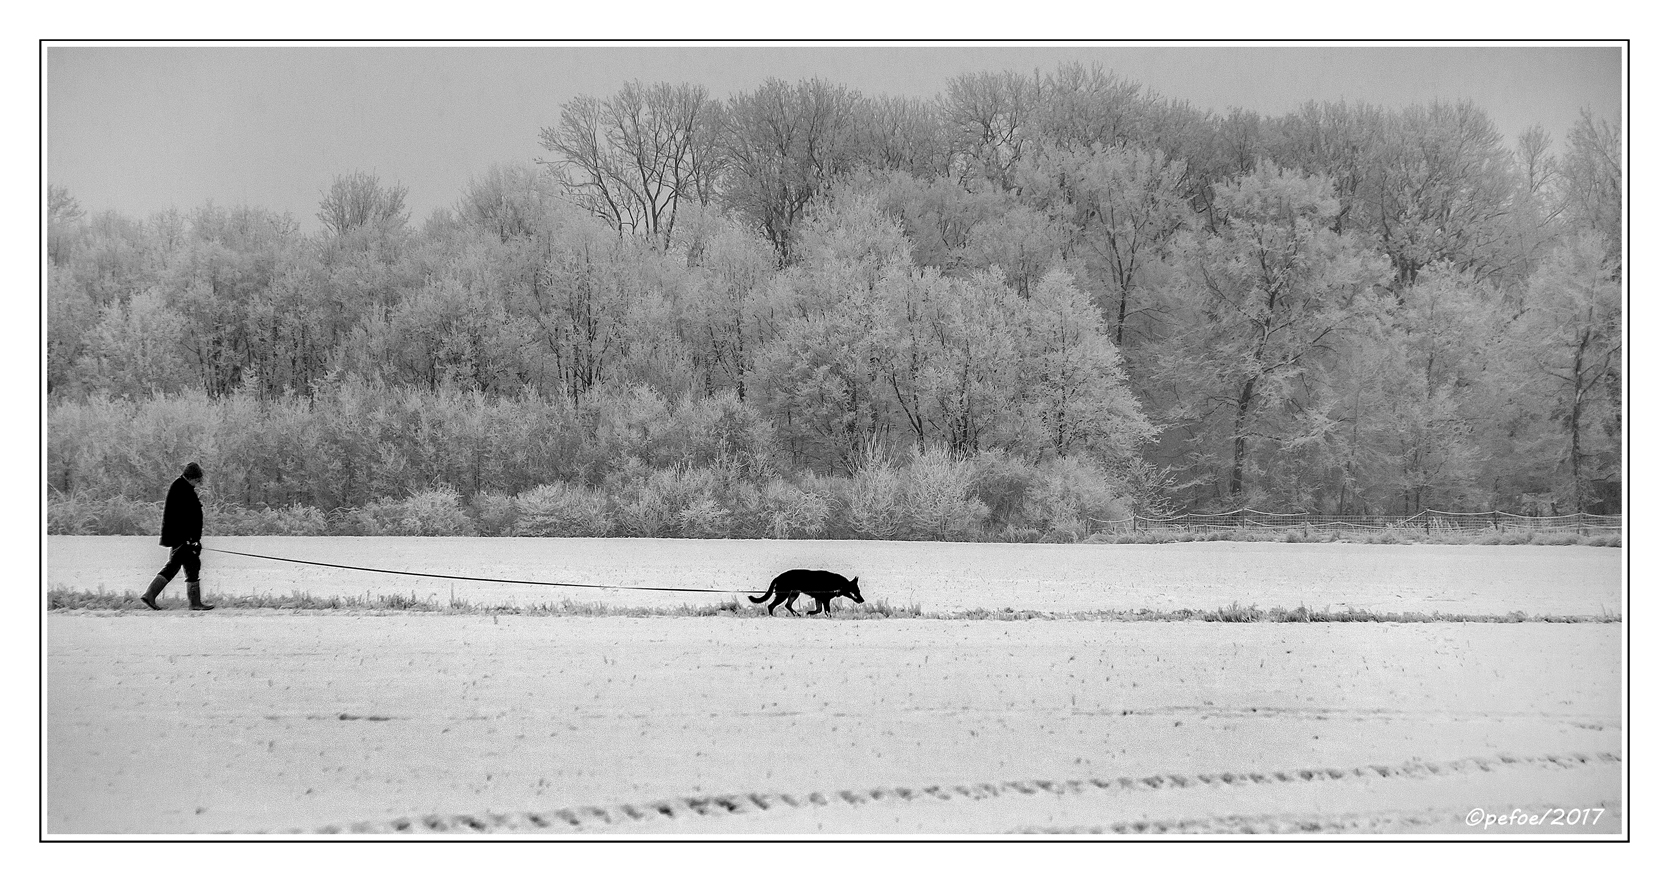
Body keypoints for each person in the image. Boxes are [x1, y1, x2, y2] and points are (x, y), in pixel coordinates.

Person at [139, 462, 214, 611]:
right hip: (183, 539)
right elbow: (183, 518)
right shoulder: (181, 489)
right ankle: (192, 602)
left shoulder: (182, 487)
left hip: (183, 538)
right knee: (179, 567)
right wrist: (190, 539)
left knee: (186, 566)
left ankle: (153, 595)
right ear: (191, 477)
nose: (198, 483)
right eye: (197, 480)